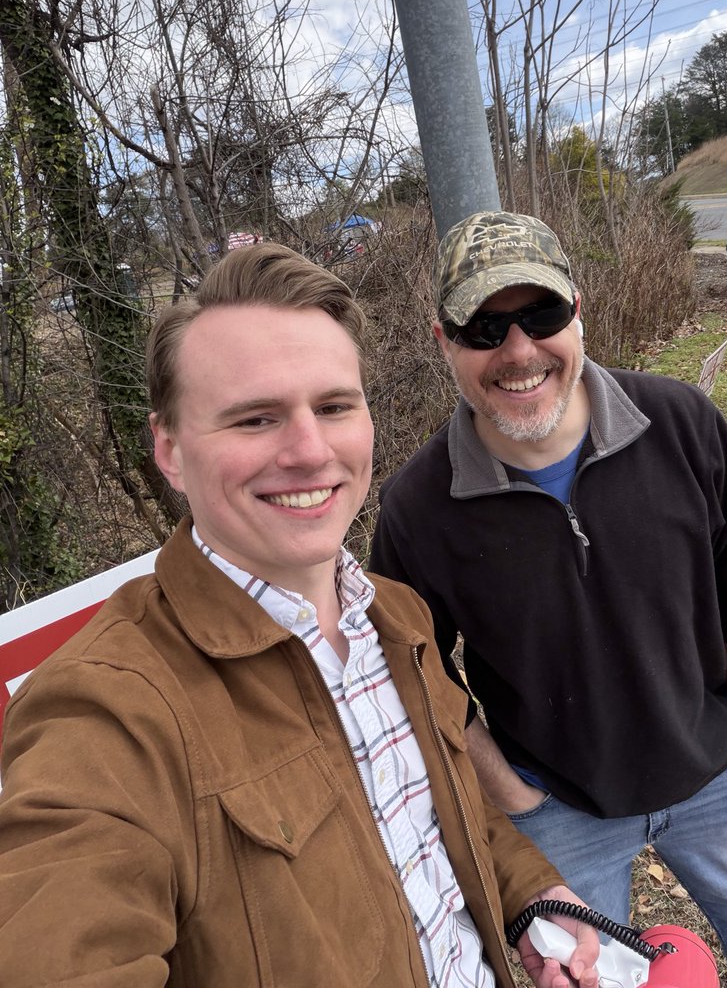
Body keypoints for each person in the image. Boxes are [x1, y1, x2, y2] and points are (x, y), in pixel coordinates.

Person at [0, 243, 601, 988]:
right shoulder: (106, 713)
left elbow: (443, 813)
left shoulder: (396, 616)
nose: (311, 451)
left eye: (334, 406)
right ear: (170, 450)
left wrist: (533, 895)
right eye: (254, 420)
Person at [370, 211, 727, 988]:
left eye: (540, 315)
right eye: (485, 328)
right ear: (445, 342)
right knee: (589, 979)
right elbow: (416, 669)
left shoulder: (680, 423)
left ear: (578, 311)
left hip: (715, 776)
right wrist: (514, 797)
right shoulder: (418, 506)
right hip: (561, 813)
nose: (518, 351)